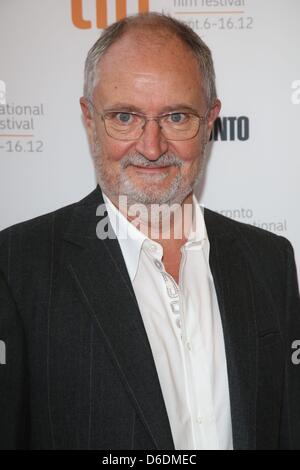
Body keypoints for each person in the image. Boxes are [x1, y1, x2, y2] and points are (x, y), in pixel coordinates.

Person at [0, 12, 300, 451]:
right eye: (125, 117)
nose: (152, 146)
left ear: (211, 119)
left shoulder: (270, 260)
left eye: (177, 117)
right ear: (88, 118)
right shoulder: (17, 267)